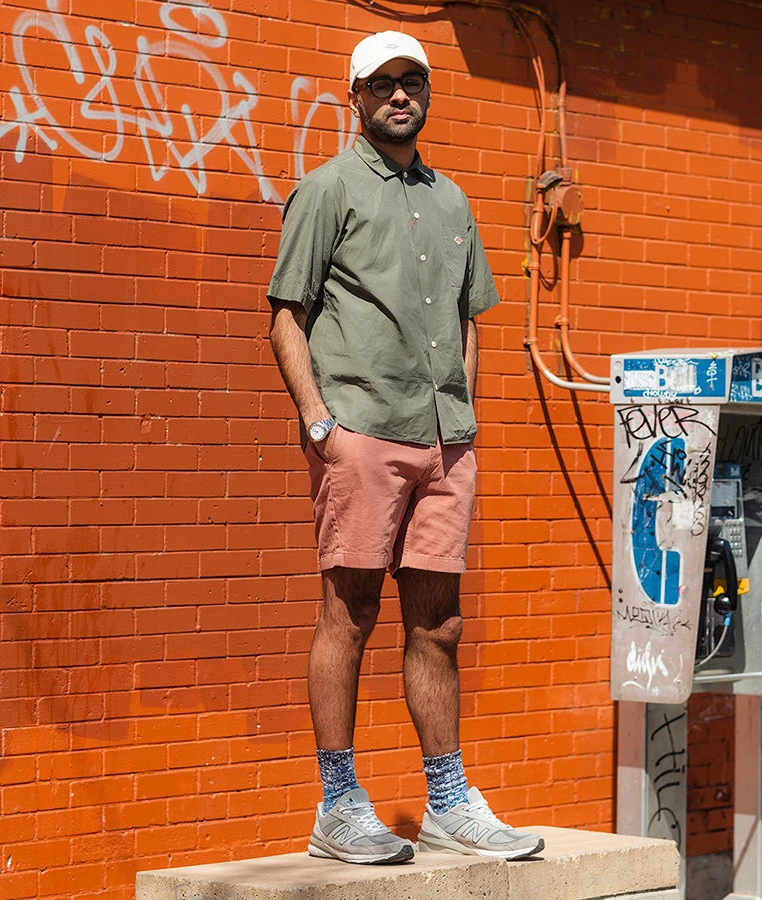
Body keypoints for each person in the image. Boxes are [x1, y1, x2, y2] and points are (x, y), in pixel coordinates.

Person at [267, 30, 545, 865]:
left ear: (426, 93)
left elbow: (469, 318)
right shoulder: (327, 190)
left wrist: (464, 412)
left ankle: (450, 801)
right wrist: (320, 422)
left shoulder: (453, 200)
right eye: (382, 83)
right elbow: (287, 315)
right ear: (354, 96)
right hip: (360, 430)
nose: (399, 95)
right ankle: (337, 805)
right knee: (348, 613)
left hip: (444, 442)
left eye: (412, 82)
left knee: (440, 624)